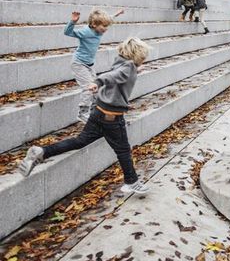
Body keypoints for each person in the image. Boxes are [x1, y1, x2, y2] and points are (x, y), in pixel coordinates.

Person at [19, 37, 151, 195]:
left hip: (99, 113)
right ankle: (132, 182)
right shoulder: (128, 67)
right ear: (136, 55)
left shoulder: (122, 63)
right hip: (112, 118)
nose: (144, 60)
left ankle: (42, 151)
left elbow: (119, 73)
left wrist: (137, 70)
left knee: (79, 141)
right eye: (143, 57)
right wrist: (98, 81)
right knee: (123, 151)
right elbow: (112, 76)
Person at [65, 8, 124, 123]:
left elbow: (108, 19)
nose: (105, 29)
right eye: (104, 27)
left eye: (107, 26)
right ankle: (82, 113)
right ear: (93, 24)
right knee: (88, 87)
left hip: (89, 64)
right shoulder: (85, 32)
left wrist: (117, 14)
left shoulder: (99, 28)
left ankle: (93, 111)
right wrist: (72, 22)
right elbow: (68, 32)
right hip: (79, 64)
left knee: (95, 87)